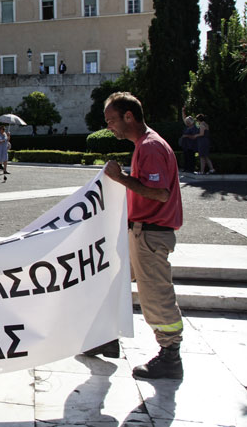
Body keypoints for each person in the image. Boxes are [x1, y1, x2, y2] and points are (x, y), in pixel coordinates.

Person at [95, 91, 184, 380]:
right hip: (140, 232)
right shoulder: (144, 145)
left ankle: (170, 355)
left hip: (151, 235)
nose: (109, 126)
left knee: (155, 295)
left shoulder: (150, 146)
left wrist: (120, 178)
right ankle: (107, 337)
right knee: (115, 282)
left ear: (129, 116)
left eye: (111, 120)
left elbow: (160, 193)